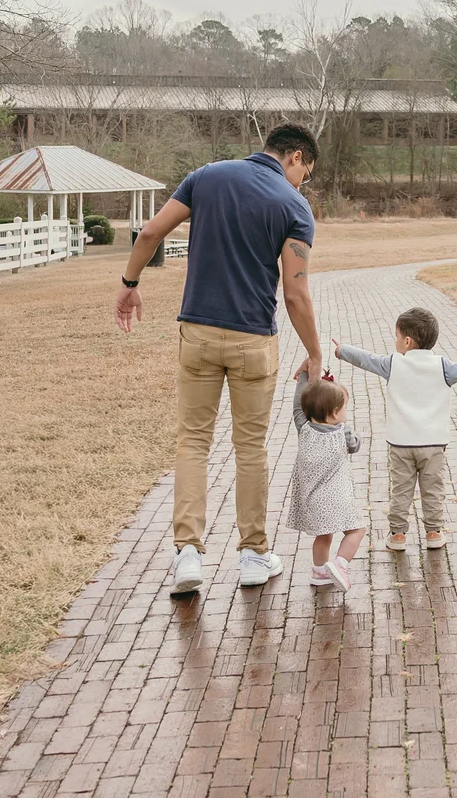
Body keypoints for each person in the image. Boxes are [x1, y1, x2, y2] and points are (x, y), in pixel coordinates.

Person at [114, 123, 323, 597]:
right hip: (253, 339)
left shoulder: (206, 176)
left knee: (192, 442)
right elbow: (295, 293)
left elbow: (149, 233)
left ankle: (187, 553)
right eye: (305, 172)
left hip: (199, 333)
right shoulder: (293, 206)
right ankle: (253, 554)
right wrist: (313, 350)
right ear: (294, 157)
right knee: (250, 447)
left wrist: (129, 286)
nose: (302, 182)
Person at [332, 306, 457, 551]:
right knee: (433, 490)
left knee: (401, 491)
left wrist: (341, 351)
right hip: (434, 445)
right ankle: (434, 533)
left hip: (401, 444)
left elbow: (365, 359)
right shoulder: (443, 366)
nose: (394, 341)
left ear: (406, 340)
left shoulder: (393, 364)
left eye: (396, 336)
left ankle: (398, 536)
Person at [283, 374, 365, 590]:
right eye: (345, 408)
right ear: (336, 412)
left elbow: (297, 407)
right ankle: (340, 564)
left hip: (313, 501)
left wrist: (303, 378)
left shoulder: (304, 429)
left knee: (323, 536)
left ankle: (319, 572)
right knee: (356, 531)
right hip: (337, 498)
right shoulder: (343, 433)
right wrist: (351, 432)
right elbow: (355, 445)